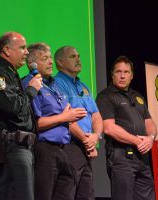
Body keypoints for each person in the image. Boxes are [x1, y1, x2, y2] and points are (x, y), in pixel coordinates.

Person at [0, 32, 43, 200]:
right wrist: (31, 90)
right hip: (11, 146)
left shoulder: (10, 74)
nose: (27, 52)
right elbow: (13, 108)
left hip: (21, 147)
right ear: (6, 50)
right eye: (22, 48)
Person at [21, 42, 87, 200]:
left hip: (63, 149)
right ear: (32, 64)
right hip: (45, 150)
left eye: (51, 58)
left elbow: (66, 113)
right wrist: (65, 117)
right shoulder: (30, 85)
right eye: (45, 59)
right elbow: (36, 124)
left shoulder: (54, 85)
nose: (51, 62)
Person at [96, 55, 157, 200]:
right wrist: (137, 141)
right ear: (112, 74)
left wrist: (151, 138)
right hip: (121, 157)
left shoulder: (138, 96)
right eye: (118, 72)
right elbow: (109, 128)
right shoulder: (105, 96)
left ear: (132, 75)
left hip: (142, 158)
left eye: (126, 72)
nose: (122, 76)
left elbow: (150, 123)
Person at [54, 46, 103, 200]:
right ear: (60, 62)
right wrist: (87, 140)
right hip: (70, 146)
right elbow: (65, 117)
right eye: (73, 56)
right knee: (68, 193)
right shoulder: (57, 83)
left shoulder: (84, 87)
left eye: (79, 56)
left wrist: (96, 136)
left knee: (87, 194)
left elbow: (96, 115)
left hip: (86, 148)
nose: (78, 59)